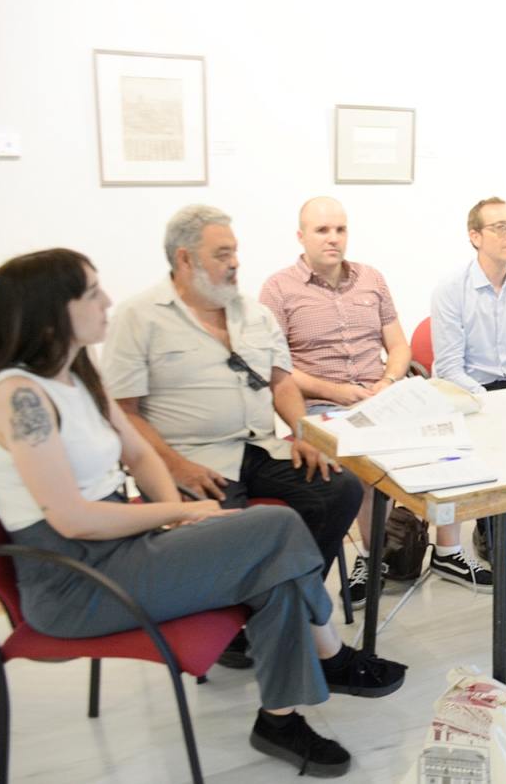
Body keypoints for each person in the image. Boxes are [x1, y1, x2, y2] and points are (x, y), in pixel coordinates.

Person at [0, 249, 405, 778]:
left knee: (276, 563)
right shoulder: (18, 397)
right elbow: (72, 520)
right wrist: (180, 511)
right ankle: (330, 655)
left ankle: (280, 716)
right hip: (73, 580)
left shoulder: (76, 376)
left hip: (120, 549)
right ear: (49, 313)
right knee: (275, 530)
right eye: (91, 293)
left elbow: (136, 454)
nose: (107, 301)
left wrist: (176, 513)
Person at [101, 204, 362, 666]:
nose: (235, 262)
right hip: (187, 459)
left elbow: (282, 381)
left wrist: (302, 433)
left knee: (338, 489)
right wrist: (175, 466)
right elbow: (125, 413)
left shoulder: (253, 314)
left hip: (259, 447)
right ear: (185, 260)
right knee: (231, 528)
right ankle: (246, 619)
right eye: (222, 254)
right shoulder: (138, 316)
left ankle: (284, 608)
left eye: (235, 251)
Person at [260, 197, 487, 600]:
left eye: (340, 229)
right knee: (362, 464)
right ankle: (370, 556)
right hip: (322, 405)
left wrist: (386, 381)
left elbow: (398, 346)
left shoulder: (371, 279)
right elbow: (277, 369)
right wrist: (338, 392)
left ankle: (449, 551)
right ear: (301, 236)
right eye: (322, 230)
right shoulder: (278, 289)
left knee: (450, 444)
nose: (333, 239)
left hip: (382, 395)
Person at [431, 196, 506, 575]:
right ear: (474, 236)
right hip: (469, 389)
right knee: (491, 432)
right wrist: (491, 403)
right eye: (499, 227)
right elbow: (450, 367)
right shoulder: (451, 289)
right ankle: (488, 524)